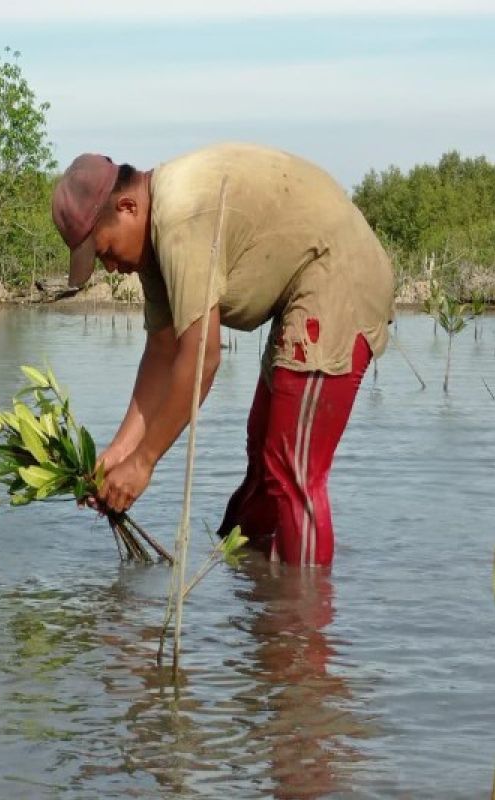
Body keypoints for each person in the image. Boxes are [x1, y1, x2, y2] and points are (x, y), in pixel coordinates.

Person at [51, 142, 394, 567]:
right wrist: (116, 456)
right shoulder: (151, 245)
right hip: (303, 289)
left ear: (127, 207)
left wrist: (142, 464)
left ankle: (300, 625)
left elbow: (201, 359)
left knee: (292, 471)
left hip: (339, 274)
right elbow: (163, 352)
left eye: (103, 251)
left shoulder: (180, 216)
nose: (109, 268)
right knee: (263, 459)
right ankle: (261, 596)